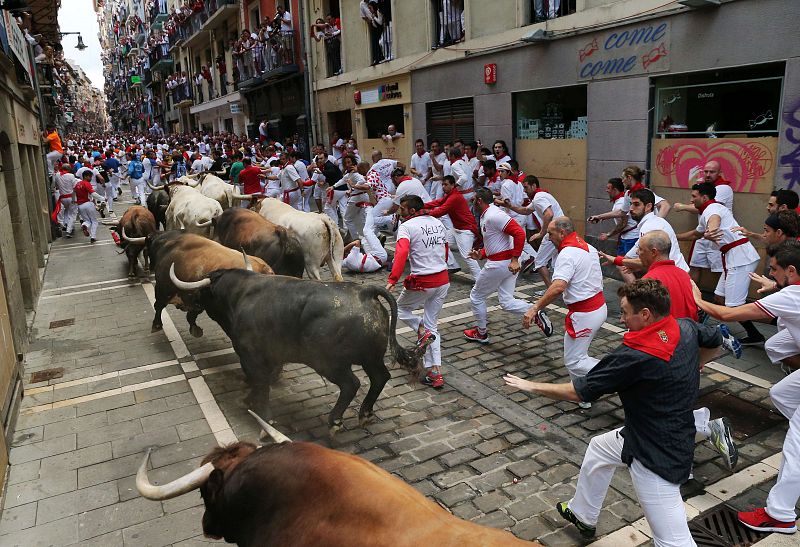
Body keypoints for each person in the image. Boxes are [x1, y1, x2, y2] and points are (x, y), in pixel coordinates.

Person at [505, 279, 725, 545]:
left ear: (645, 314)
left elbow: (579, 392)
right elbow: (717, 339)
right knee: (599, 447)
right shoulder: (684, 327)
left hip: (654, 455)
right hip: (650, 430)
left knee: (673, 541)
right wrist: (694, 365)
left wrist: (531, 385)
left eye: (624, 312)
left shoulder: (633, 356)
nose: (621, 319)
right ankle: (582, 514)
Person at [694, 240, 800, 534]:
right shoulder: (790, 292)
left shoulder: (792, 296)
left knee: (797, 443)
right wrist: (776, 287)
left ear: (791, 271)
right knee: (782, 393)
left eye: (775, 270)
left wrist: (697, 298)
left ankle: (780, 515)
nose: (772, 274)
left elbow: (727, 315)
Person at [640, 230, 742, 470]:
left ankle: (706, 431)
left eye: (641, 250)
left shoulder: (649, 283)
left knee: (662, 409)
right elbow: (696, 312)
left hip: (667, 352)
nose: (637, 253)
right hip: (688, 348)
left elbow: (648, 323)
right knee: (668, 406)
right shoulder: (684, 275)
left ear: (654, 252)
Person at [522, 217, 605, 409]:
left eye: (550, 233)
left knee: (575, 361)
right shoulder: (586, 246)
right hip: (593, 309)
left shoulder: (567, 254)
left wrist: (535, 308)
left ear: (561, 233)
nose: (548, 238)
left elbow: (558, 286)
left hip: (586, 313)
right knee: (573, 356)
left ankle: (620, 374)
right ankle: (582, 395)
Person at [676, 182, 763, 346]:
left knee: (734, 306)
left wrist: (712, 230)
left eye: (694, 196)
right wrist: (674, 236)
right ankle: (753, 333)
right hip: (733, 258)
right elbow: (696, 233)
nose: (691, 200)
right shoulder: (705, 213)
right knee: (719, 296)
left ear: (704, 197)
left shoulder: (713, 209)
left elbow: (714, 222)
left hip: (741, 259)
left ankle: (764, 326)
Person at [463, 188, 549, 344]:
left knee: (476, 297)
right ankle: (534, 311)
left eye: (474, 199)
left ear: (480, 201)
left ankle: (481, 333)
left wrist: (515, 259)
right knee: (506, 301)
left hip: (501, 264)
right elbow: (497, 243)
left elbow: (519, 233)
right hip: (506, 263)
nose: (472, 202)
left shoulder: (493, 215)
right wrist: (481, 254)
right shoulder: (488, 215)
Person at [386, 195, 449, 388]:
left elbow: (401, 253)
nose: (400, 213)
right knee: (432, 326)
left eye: (402, 210)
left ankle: (421, 333)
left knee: (400, 309)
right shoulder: (438, 223)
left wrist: (393, 279)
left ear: (412, 211)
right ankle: (435, 373)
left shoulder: (407, 226)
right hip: (443, 279)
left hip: (423, 281)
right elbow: (445, 249)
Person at [599, 189, 689, 275]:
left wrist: (615, 260)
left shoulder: (649, 226)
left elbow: (646, 260)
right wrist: (626, 261)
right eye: (630, 204)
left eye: (636, 204)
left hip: (674, 274)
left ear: (648, 207)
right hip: (675, 272)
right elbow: (637, 250)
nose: (631, 208)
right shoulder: (650, 223)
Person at [423, 174, 482, 278]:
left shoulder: (454, 197)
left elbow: (440, 211)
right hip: (457, 229)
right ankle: (451, 265)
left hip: (465, 230)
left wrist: (422, 212)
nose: (443, 187)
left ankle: (480, 281)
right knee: (440, 243)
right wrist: (421, 206)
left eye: (445, 184)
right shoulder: (450, 195)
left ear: (452, 185)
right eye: (442, 184)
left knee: (467, 256)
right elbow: (438, 202)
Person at [73, 170, 106, 243]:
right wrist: (102, 198)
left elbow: (74, 194)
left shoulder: (77, 184)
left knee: (87, 221)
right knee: (94, 221)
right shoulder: (87, 183)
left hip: (80, 205)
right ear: (85, 176)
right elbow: (93, 194)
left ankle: (84, 225)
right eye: (90, 176)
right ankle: (93, 237)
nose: (91, 178)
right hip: (88, 204)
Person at [52, 162, 78, 235]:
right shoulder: (71, 176)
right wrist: (74, 199)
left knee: (66, 211)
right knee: (73, 214)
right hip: (71, 197)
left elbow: (56, 185)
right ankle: (69, 230)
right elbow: (74, 188)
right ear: (69, 169)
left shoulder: (57, 175)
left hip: (62, 198)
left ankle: (66, 223)